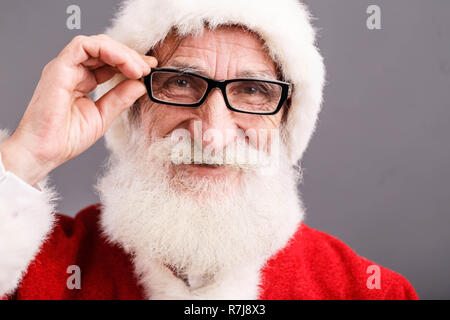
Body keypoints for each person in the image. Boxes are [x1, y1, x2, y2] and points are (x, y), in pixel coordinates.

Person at [0, 0, 418, 299]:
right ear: (132, 105)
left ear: (287, 118)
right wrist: (28, 157)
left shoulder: (367, 291)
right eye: (181, 83)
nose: (212, 135)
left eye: (253, 89)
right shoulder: (29, 270)